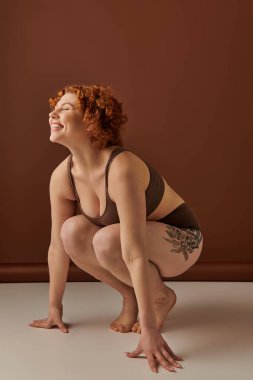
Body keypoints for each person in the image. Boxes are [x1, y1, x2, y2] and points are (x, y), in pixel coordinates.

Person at [28, 83, 203, 373]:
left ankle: (161, 297)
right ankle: (129, 295)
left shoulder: (122, 166)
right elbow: (57, 248)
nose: (52, 113)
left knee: (107, 240)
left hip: (182, 240)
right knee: (70, 231)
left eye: (65, 108)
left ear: (91, 121)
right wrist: (54, 309)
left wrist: (149, 330)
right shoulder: (62, 175)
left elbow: (133, 251)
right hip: (127, 243)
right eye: (54, 108)